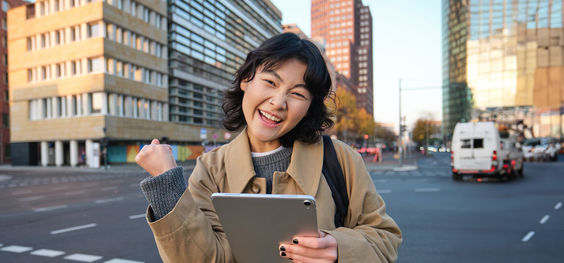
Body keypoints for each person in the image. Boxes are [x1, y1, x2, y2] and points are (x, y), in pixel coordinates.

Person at [136, 33, 401, 262]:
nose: (278, 102)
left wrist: (339, 248)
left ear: (310, 106)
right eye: (270, 82)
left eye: (297, 94)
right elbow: (205, 258)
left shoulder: (341, 159)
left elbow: (385, 240)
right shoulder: (211, 169)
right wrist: (166, 185)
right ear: (246, 79)